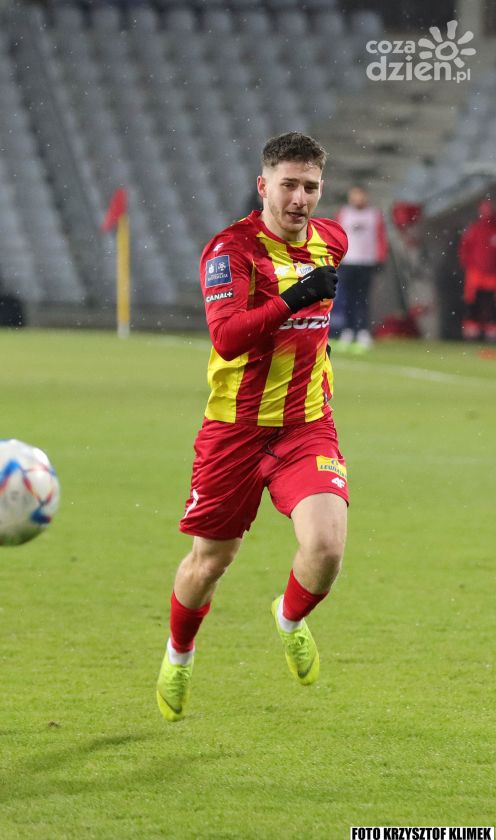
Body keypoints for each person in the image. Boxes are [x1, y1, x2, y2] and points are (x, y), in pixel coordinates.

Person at [156, 131, 349, 722]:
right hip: (234, 430)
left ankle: (288, 619)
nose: (299, 199)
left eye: (310, 187)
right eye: (288, 185)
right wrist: (295, 298)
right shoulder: (231, 251)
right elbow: (227, 338)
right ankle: (179, 654)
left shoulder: (332, 241)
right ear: (263, 186)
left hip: (305, 425)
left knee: (326, 547)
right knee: (209, 563)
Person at [334, 185, 387, 351]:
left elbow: (380, 237)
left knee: (363, 298)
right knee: (347, 298)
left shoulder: (374, 215)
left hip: (366, 262)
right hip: (348, 261)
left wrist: (380, 257)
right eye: (354, 195)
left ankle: (363, 330)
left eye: (360, 195)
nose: (357, 199)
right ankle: (348, 330)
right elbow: (337, 236)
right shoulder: (344, 213)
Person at [458, 198, 496, 342]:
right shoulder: (474, 229)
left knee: (491, 304)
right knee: (474, 303)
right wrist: (470, 265)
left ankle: (491, 330)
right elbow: (464, 249)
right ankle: (472, 332)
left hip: (493, 276)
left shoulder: (493, 229)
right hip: (477, 275)